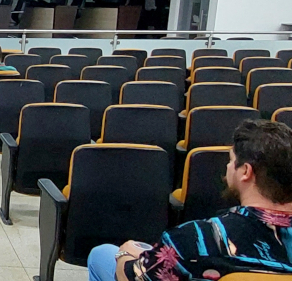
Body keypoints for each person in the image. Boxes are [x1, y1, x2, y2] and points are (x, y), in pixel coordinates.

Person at [87, 119, 292, 281]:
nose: (228, 167)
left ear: (246, 171)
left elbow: (135, 276)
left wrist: (125, 254)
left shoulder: (198, 240)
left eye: (231, 161)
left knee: (102, 254)